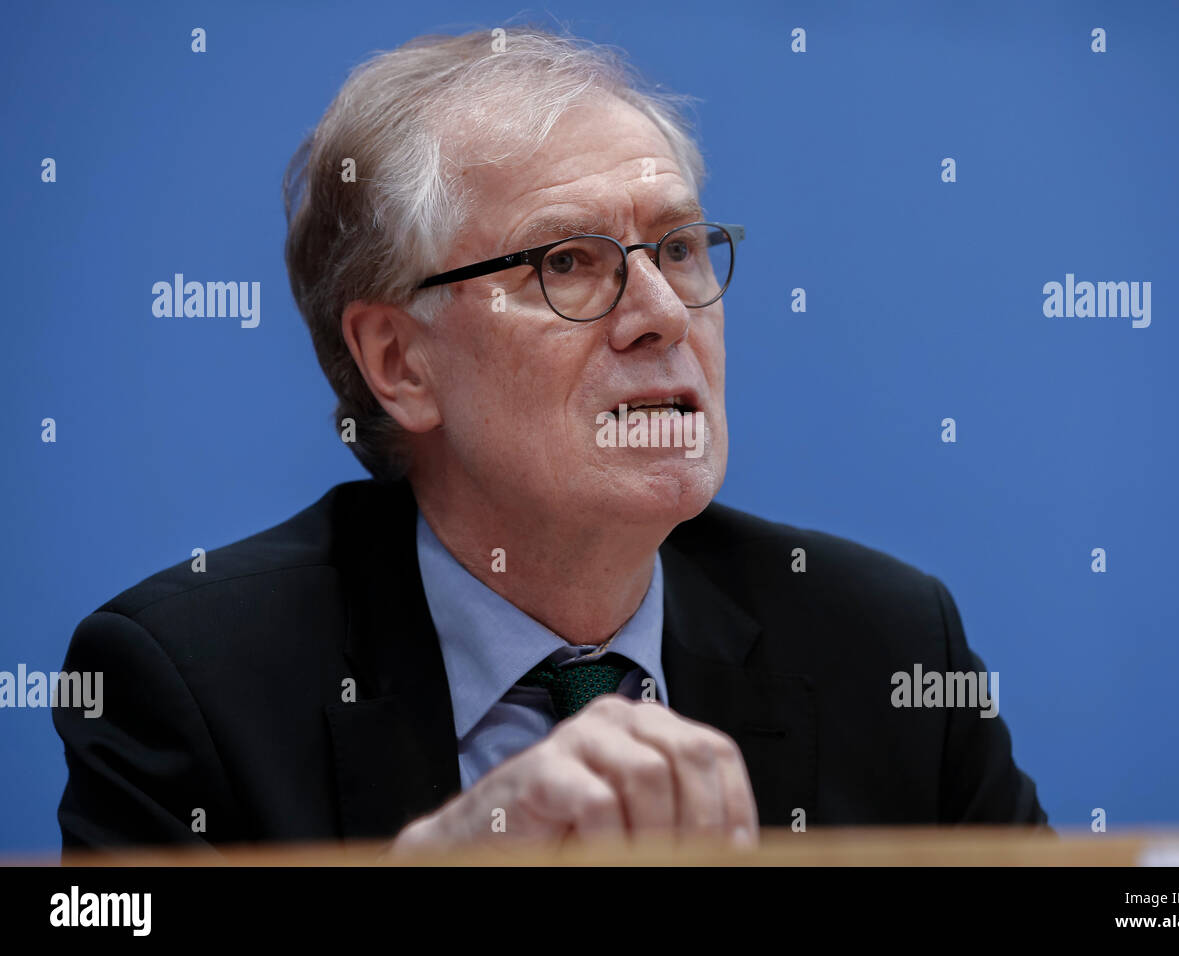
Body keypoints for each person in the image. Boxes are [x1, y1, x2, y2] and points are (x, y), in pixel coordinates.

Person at [54, 28, 1047, 855]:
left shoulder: (882, 642)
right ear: (398, 360)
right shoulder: (191, 679)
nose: (661, 312)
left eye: (677, 247)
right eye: (567, 262)